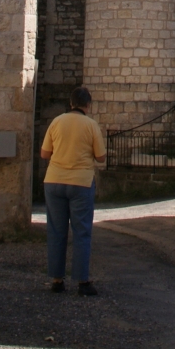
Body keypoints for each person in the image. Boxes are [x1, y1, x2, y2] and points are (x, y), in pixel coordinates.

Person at [40, 85, 106, 295]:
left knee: (56, 231)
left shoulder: (56, 121)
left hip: (54, 180)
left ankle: (57, 280)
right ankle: (82, 281)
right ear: (88, 105)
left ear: (71, 103)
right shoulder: (91, 125)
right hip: (81, 182)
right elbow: (101, 157)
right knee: (81, 232)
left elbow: (44, 153)